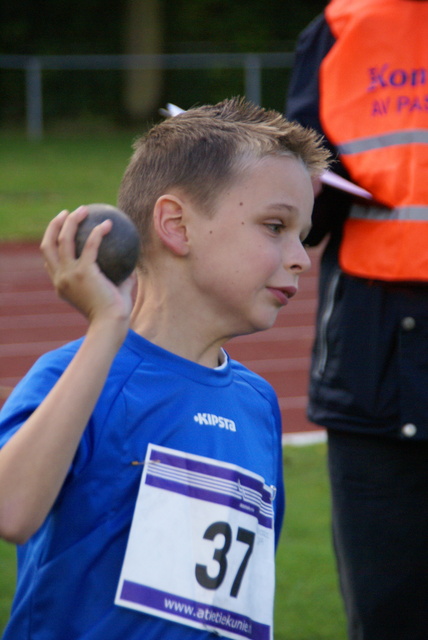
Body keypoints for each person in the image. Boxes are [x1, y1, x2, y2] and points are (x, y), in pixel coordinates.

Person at [0, 97, 329, 640]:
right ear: (176, 225)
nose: (300, 257)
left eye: (303, 234)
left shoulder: (257, 403)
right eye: (275, 226)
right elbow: (12, 510)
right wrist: (107, 324)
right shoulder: (80, 375)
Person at [286, 1, 428, 639]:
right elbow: (305, 218)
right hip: (371, 367)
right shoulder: (340, 29)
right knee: (386, 617)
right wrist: (302, 190)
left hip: (370, 363)